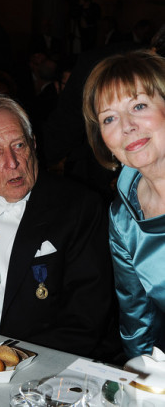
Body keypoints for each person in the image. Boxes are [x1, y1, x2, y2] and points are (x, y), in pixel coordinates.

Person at [0, 93, 122, 362]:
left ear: (34, 144)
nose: (12, 162)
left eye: (19, 146)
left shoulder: (79, 207)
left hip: (29, 357)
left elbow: (85, 320)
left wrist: (9, 359)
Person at [83, 50, 165, 358]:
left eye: (139, 106)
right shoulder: (123, 218)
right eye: (109, 118)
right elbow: (138, 323)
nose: (126, 126)